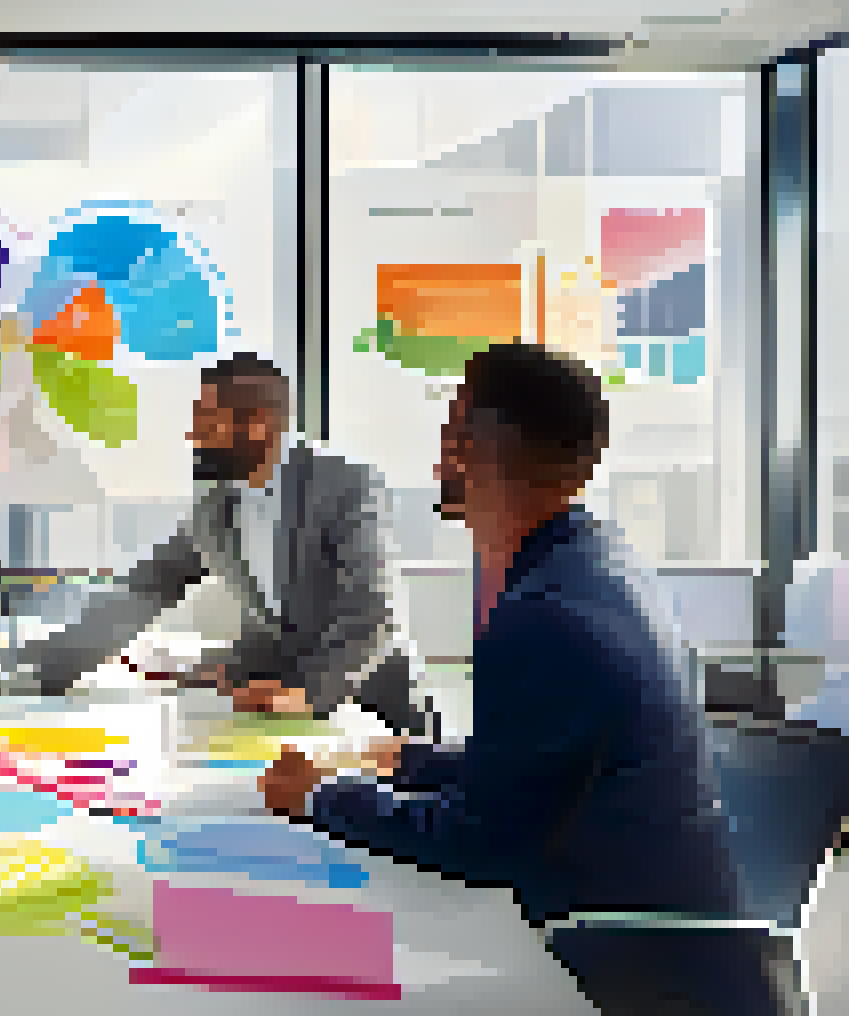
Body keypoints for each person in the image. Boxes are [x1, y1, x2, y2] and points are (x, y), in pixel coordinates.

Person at [261, 342, 797, 1016]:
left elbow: (484, 841)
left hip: (628, 967)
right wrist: (407, 760)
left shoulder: (545, 617)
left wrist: (321, 798)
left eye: (450, 424)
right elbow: (543, 765)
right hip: (674, 930)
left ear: (463, 447)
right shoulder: (596, 562)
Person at [13, 353, 430, 736]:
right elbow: (144, 589)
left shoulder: (345, 483)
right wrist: (44, 671)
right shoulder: (217, 506)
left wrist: (309, 694)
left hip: (372, 706)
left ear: (259, 425)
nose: (193, 434)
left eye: (208, 419)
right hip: (277, 711)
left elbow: (374, 611)